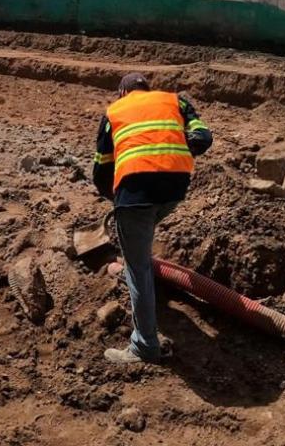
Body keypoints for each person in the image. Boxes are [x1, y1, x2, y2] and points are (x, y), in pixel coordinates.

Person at [92, 72, 212, 364]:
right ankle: (138, 257)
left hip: (135, 193)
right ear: (147, 89)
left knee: (137, 267)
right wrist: (173, 154)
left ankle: (144, 346)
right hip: (174, 189)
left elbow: (101, 170)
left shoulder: (114, 112)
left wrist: (117, 199)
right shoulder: (175, 101)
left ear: (122, 92)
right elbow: (203, 137)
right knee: (143, 232)